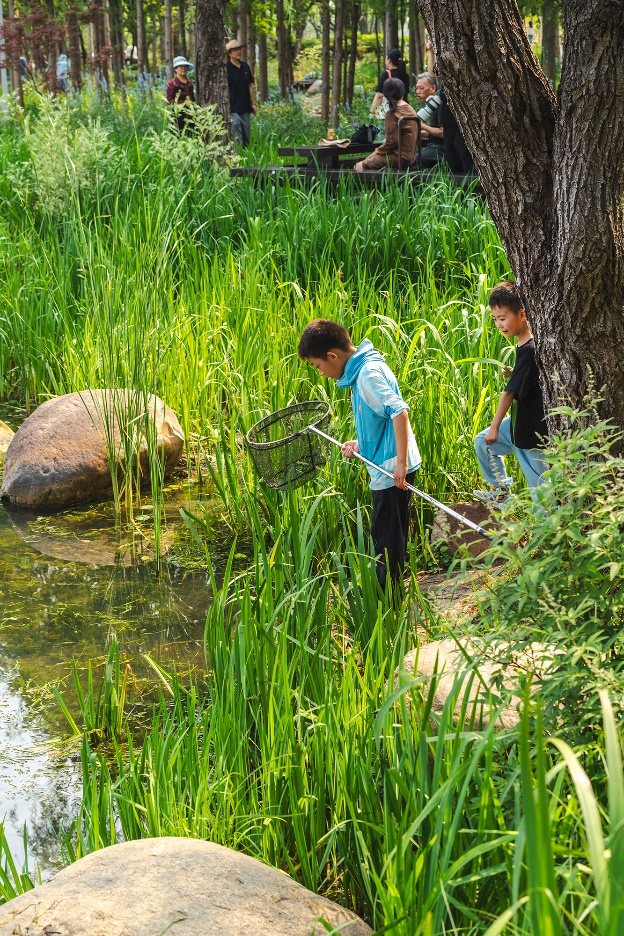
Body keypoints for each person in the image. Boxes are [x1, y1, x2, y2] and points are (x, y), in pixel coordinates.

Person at [298, 319, 421, 592]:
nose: (319, 373)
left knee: (386, 541)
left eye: (318, 366)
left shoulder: (367, 375)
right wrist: (360, 444)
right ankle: (392, 595)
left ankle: (386, 605)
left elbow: (399, 411)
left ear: (332, 355)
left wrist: (400, 465)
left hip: (391, 471)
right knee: (391, 536)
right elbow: (382, 419)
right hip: (389, 463)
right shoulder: (364, 368)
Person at [473, 281, 548, 507]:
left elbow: (508, 393)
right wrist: (516, 374)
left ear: (522, 314)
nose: (498, 324)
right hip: (518, 424)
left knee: (540, 487)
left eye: (503, 318)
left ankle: (547, 533)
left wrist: (495, 426)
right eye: (495, 319)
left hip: (530, 433)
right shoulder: (524, 344)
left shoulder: (530, 348)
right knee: (482, 443)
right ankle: (501, 493)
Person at [425, 39, 474, 174]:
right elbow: (432, 73)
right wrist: (431, 52)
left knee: (466, 160)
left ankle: (474, 194)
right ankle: (458, 194)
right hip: (449, 122)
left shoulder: (467, 64)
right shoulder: (447, 68)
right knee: (452, 162)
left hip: (463, 122)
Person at [356, 78, 418, 172]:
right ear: (402, 93)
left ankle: (375, 187)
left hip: (399, 158)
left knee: (360, 166)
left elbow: (391, 142)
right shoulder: (409, 108)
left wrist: (376, 152)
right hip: (410, 157)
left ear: (385, 94)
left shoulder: (392, 113)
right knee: (369, 161)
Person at [226, 39, 257, 148]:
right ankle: (238, 161)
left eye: (239, 49)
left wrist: (252, 104)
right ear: (229, 53)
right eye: (235, 50)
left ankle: (248, 161)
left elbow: (250, 85)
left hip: (246, 108)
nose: (238, 52)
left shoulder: (245, 66)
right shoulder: (226, 69)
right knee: (237, 138)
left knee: (247, 139)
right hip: (233, 109)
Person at [369, 48, 410, 117]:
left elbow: (379, 96)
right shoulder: (405, 75)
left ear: (389, 60)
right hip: (405, 111)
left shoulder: (387, 74)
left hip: (390, 112)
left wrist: (372, 113)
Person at [414, 72, 444, 168]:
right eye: (417, 88)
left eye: (421, 88)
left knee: (413, 160)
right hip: (433, 145)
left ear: (433, 88)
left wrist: (422, 126)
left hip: (441, 149)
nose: (418, 91)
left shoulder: (440, 104)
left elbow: (442, 133)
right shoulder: (431, 104)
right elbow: (433, 131)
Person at [166, 56, 196, 132]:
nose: (183, 68)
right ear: (176, 69)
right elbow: (169, 101)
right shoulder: (172, 84)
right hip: (178, 116)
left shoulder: (189, 82)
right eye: (181, 66)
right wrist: (183, 103)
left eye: (185, 66)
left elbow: (192, 97)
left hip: (191, 116)